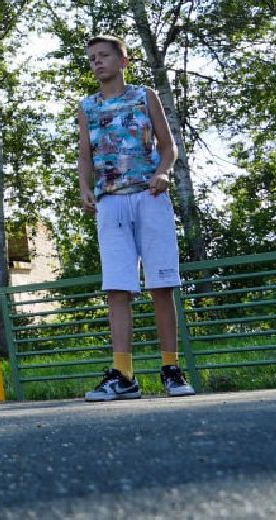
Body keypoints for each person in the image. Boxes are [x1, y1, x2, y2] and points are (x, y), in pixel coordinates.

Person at [77, 35, 196, 402]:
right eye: (92, 58)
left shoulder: (144, 96)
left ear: (123, 61)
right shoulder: (87, 106)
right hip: (110, 202)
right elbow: (85, 153)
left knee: (161, 283)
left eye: (104, 56)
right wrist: (84, 186)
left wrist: (163, 171)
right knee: (117, 286)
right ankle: (124, 374)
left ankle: (171, 368)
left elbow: (168, 145)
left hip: (149, 196)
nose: (97, 62)